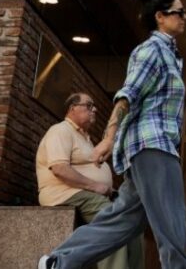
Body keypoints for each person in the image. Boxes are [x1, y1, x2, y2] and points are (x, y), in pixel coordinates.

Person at [39, 0, 186, 269]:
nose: (185, 17)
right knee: (171, 221)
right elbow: (128, 94)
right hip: (153, 146)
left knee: (122, 221)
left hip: (149, 148)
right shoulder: (153, 50)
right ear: (160, 17)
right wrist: (109, 137)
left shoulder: (171, 55)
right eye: (179, 12)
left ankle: (58, 261)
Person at [36, 92, 142, 269]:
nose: (95, 109)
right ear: (72, 109)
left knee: (133, 223)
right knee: (113, 219)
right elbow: (59, 169)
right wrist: (95, 186)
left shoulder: (85, 138)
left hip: (87, 194)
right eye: (89, 105)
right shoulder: (61, 130)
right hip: (64, 193)